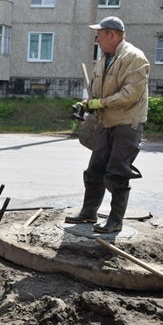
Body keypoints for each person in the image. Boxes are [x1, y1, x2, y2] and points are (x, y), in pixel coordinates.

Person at [65, 16, 150, 233]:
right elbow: (100, 94)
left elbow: (131, 94)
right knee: (95, 170)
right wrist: (86, 105)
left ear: (112, 35)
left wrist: (100, 103)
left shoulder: (133, 57)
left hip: (126, 124)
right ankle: (88, 213)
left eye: (99, 35)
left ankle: (115, 220)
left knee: (117, 173)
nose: (97, 39)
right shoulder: (104, 58)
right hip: (107, 122)